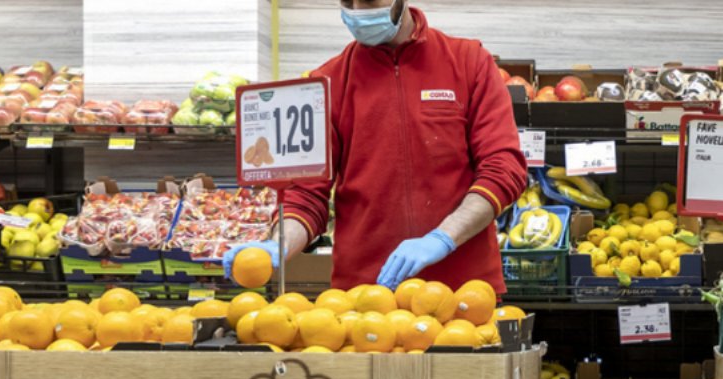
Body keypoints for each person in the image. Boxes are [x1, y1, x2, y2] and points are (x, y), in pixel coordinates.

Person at [224, 0, 527, 294]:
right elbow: (306, 193)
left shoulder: (468, 61)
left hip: (463, 290)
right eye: (348, 2)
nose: (357, 12)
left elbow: (504, 168)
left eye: (368, 1)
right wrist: (278, 245)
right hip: (366, 294)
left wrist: (443, 238)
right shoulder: (326, 82)